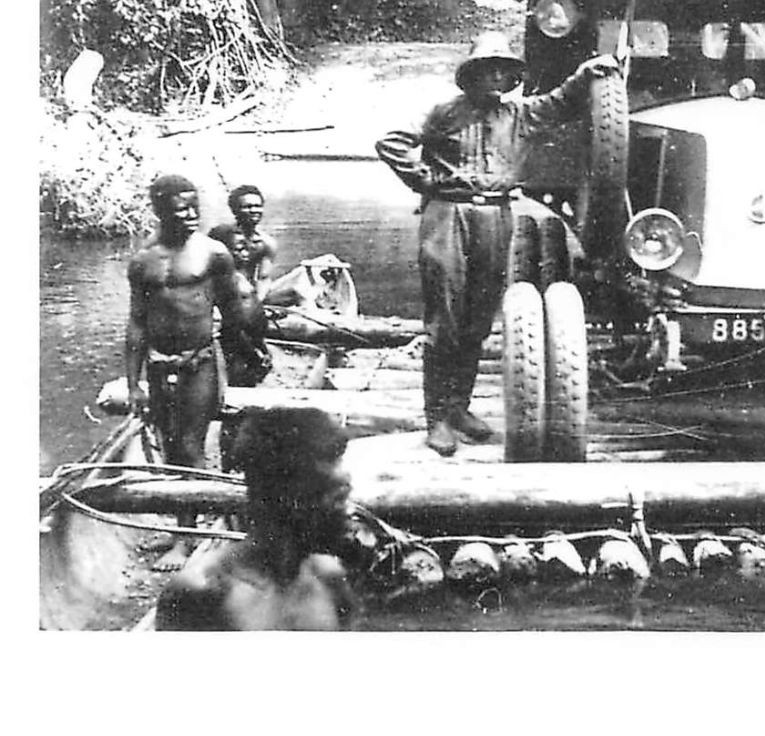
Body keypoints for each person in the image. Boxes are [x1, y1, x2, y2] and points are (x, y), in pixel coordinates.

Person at [376, 32, 620, 456]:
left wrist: (586, 73)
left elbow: (563, 101)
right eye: (485, 69)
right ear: (469, 76)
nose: (494, 76)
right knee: (445, 318)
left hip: (497, 216)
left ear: (511, 78)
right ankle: (436, 419)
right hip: (448, 216)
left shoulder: (520, 115)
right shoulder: (442, 113)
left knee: (478, 317)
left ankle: (459, 408)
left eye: (502, 70)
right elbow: (392, 141)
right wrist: (425, 181)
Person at [155, 408, 356, 630]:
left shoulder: (329, 579)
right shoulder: (205, 589)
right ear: (286, 496)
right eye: (334, 500)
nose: (348, 518)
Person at [126, 174, 245, 473]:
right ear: (160, 212)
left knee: (191, 446)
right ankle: (183, 511)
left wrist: (237, 362)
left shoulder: (214, 253)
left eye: (195, 207)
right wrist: (132, 385)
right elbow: (137, 323)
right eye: (182, 209)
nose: (193, 216)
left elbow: (235, 314)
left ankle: (192, 516)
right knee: (169, 444)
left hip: (200, 362)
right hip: (158, 365)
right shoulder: (142, 261)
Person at [206, 223, 274, 387]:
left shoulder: (238, 276)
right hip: (239, 346)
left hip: (250, 341)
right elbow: (232, 325)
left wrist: (261, 345)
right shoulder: (223, 282)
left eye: (246, 248)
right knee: (238, 383)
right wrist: (252, 353)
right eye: (239, 249)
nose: (247, 254)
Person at [227, 184, 277, 294]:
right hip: (224, 294)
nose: (254, 210)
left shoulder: (267, 242)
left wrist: (258, 303)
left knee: (299, 290)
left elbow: (263, 278)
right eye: (247, 207)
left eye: (258, 206)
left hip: (248, 295)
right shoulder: (223, 236)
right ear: (235, 210)